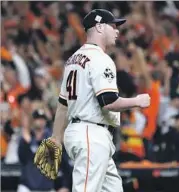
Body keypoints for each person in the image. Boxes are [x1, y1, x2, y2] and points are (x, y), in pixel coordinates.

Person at [33, 9, 150, 192]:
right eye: (113, 26)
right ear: (100, 27)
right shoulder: (100, 59)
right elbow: (108, 101)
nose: (117, 30)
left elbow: (63, 105)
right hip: (91, 134)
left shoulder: (73, 60)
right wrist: (137, 101)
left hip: (82, 132)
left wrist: (56, 137)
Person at [18, 109, 70, 192]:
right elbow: (22, 158)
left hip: (47, 187)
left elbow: (64, 164)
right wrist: (27, 143)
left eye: (42, 119)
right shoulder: (25, 138)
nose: (40, 121)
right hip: (27, 187)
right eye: (37, 119)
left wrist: (65, 185)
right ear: (32, 121)